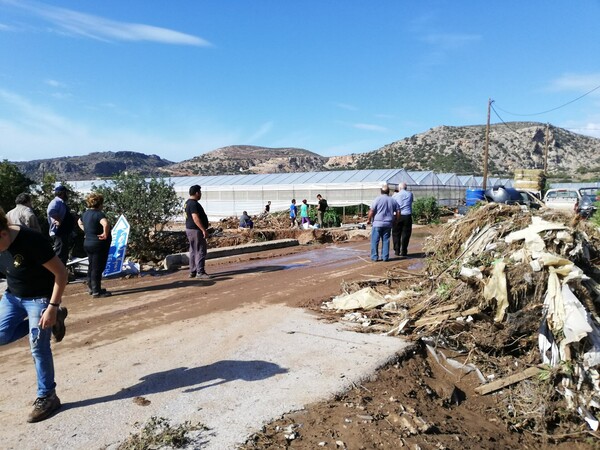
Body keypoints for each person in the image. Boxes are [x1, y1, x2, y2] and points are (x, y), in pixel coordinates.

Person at [0, 207, 68, 423]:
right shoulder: (1, 241)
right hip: (12, 296)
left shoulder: (31, 241)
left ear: (3, 233)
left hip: (40, 298)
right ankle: (49, 320)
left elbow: (61, 273)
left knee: (38, 345)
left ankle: (48, 396)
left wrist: (52, 306)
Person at [78, 193, 112, 298]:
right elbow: (105, 223)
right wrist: (105, 234)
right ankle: (96, 291)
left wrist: (86, 232)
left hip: (88, 243)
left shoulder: (85, 214)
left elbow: (79, 222)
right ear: (100, 204)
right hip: (98, 244)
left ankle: (92, 287)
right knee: (97, 268)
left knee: (91, 266)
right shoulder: (99, 214)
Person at [185, 185, 211, 279]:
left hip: (190, 229)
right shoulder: (193, 204)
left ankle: (193, 271)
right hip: (196, 230)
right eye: (200, 192)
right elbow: (195, 218)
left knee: (193, 251)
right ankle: (200, 272)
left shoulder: (187, 203)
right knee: (200, 250)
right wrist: (203, 230)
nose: (201, 194)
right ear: (197, 193)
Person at [367, 185, 398, 262]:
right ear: (388, 191)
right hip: (388, 223)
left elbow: (371, 211)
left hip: (377, 223)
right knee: (386, 240)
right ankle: (385, 257)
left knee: (375, 240)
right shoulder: (393, 200)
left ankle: (374, 257)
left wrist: (369, 219)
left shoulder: (377, 199)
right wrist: (396, 220)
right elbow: (398, 211)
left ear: (381, 191)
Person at [46, 185, 75, 265]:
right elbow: (51, 211)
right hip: (59, 233)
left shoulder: (61, 202)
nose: (67, 195)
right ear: (62, 193)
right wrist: (58, 220)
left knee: (64, 255)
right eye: (66, 193)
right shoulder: (56, 202)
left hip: (64, 232)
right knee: (60, 255)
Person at [392, 182, 414, 257]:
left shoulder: (395, 195)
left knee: (396, 233)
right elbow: (411, 202)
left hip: (398, 215)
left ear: (399, 188)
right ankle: (404, 250)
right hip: (407, 215)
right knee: (406, 234)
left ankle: (397, 250)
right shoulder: (410, 194)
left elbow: (393, 204)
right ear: (406, 188)